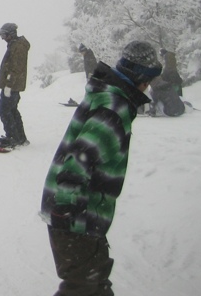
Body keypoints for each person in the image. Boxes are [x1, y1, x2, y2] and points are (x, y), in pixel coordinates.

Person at [40, 40, 163, 296]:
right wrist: (67, 208)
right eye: (148, 79)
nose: (148, 86)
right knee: (83, 287)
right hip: (76, 214)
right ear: (139, 77)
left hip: (83, 213)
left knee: (95, 283)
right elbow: (79, 160)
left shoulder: (108, 98)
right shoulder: (113, 109)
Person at [0, 22, 29, 148]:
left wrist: (8, 85)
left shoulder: (18, 47)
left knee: (4, 110)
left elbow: (16, 68)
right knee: (12, 110)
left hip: (12, 85)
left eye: (4, 35)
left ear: (11, 34)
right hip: (13, 85)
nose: (2, 38)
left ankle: (13, 137)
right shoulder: (14, 45)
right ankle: (20, 137)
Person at [149, 48, 185, 116]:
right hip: (181, 109)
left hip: (170, 111)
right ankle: (179, 102)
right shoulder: (171, 55)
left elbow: (168, 67)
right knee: (175, 91)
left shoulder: (167, 56)